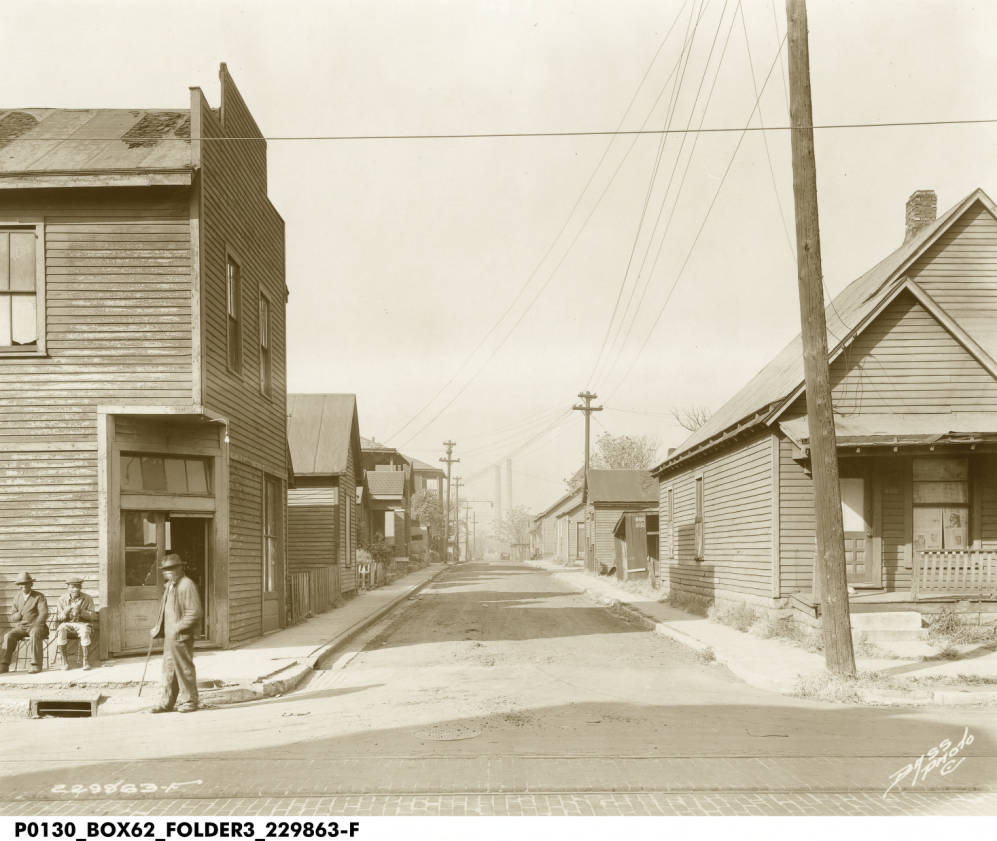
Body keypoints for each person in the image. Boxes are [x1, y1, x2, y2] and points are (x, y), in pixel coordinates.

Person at [149, 553, 202, 714]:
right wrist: (158, 628)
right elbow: (166, 612)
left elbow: (194, 612)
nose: (168, 572)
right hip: (170, 637)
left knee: (184, 669)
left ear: (180, 568)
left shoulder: (186, 585)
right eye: (165, 570)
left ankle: (190, 701)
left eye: (171, 569)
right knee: (169, 670)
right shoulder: (170, 586)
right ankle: (166, 703)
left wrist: (178, 628)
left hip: (181, 636)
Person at [0, 572, 49, 674]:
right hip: (21, 627)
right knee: (8, 635)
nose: (23, 586)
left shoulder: (39, 596)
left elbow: (43, 613)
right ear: (18, 586)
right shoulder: (17, 597)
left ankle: (36, 665)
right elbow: (12, 615)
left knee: (35, 633)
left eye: (26, 583)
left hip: (37, 627)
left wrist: (36, 624)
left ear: (31, 584)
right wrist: (16, 616)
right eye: (21, 584)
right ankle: (4, 665)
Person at [54, 576, 97, 670]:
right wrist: (66, 611)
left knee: (85, 630)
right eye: (73, 587)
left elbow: (93, 616)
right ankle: (64, 661)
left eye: (78, 586)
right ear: (68, 588)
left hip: (82, 623)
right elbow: (59, 618)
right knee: (61, 629)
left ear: (80, 587)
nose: (75, 589)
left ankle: (85, 661)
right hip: (67, 624)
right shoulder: (62, 599)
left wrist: (81, 611)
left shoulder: (87, 598)